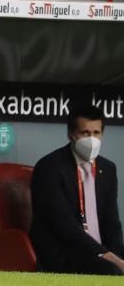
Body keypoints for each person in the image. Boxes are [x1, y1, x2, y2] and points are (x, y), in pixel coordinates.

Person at [30, 104, 124, 275]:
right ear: (71, 134)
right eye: (85, 133)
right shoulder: (49, 167)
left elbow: (112, 223)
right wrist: (109, 257)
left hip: (102, 250)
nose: (92, 139)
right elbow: (64, 226)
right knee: (111, 270)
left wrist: (117, 255)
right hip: (66, 251)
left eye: (96, 133)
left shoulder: (108, 168)